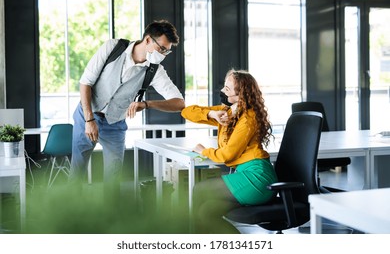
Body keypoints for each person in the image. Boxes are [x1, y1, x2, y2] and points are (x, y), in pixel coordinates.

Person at [69, 20, 185, 197]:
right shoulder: (113, 47)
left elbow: (179, 103)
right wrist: (89, 119)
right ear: (147, 40)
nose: (164, 54)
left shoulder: (155, 70)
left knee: (113, 180)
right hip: (87, 115)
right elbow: (86, 82)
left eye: (167, 51)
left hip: (115, 125)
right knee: (77, 171)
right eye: (162, 48)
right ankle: (71, 218)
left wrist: (147, 104)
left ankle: (110, 222)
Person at [181, 69, 277, 233]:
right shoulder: (227, 111)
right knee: (207, 212)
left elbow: (227, 155)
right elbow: (186, 112)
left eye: (227, 89)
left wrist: (204, 151)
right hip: (246, 175)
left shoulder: (248, 118)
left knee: (200, 190)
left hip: (257, 178)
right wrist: (212, 113)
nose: (222, 91)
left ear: (241, 94)